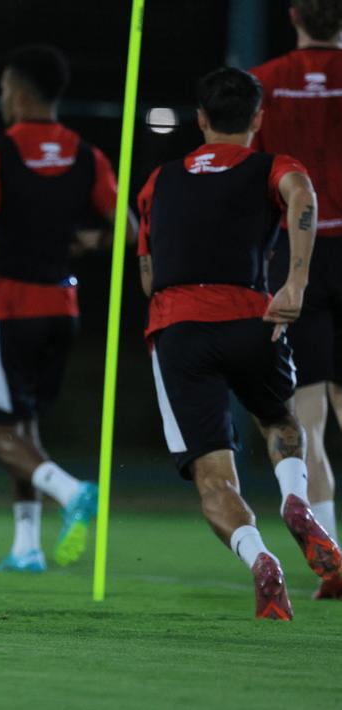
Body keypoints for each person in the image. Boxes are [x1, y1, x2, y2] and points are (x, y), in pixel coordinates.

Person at [136, 67, 340, 620]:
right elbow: (302, 195)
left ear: (200, 119)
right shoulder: (273, 165)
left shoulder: (157, 181)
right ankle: (295, 498)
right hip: (253, 319)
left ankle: (260, 558)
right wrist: (295, 280)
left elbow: (149, 277)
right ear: (258, 119)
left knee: (212, 478)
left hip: (177, 329)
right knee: (281, 422)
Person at [0, 45, 131, 572]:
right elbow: (128, 230)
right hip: (62, 308)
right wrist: (85, 242)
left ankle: (72, 490)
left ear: (19, 93)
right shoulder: (87, 155)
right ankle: (26, 547)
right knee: (26, 428)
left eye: (3, 92)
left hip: (7, 306)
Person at [250, 0, 342, 599]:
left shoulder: (264, 82)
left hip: (295, 255)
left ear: (292, 15)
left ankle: (334, 558)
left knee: (307, 415)